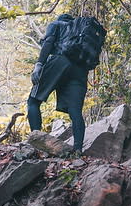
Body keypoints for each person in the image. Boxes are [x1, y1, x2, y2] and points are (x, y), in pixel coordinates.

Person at [27, 13, 89, 153]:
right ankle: (78, 150)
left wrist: (39, 64)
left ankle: (36, 141)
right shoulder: (81, 33)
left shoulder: (56, 25)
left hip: (60, 61)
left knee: (33, 101)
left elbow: (49, 42)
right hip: (80, 70)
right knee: (75, 111)